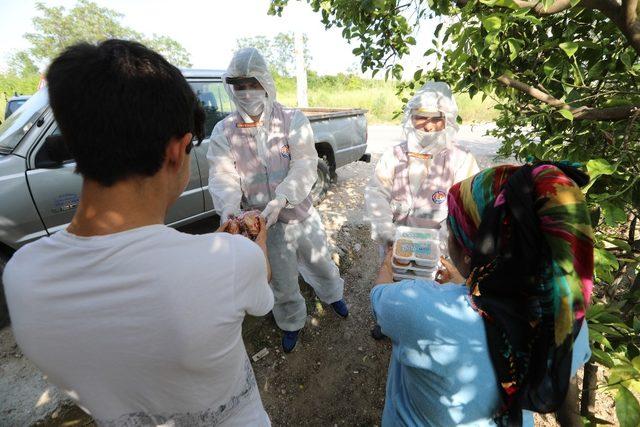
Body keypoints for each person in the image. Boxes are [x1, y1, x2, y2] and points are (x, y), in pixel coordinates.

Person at [3, 40, 274, 426]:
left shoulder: (21, 277)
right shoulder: (229, 261)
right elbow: (261, 298)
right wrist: (253, 248)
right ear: (177, 152)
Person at [371, 163, 593, 426]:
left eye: (452, 227)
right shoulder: (567, 322)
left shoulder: (420, 309)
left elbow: (379, 295)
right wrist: (466, 282)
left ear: (469, 254)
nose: (447, 234)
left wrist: (388, 263)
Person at [207, 47, 347, 353]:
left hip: (301, 213)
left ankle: (333, 295)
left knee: (320, 260)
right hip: (264, 225)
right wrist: (230, 209)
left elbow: (305, 163)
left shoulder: (291, 120)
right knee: (281, 279)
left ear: (265, 83)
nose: (246, 92)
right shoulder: (225, 131)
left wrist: (282, 198)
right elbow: (223, 176)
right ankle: (291, 322)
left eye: (252, 83)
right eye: (239, 86)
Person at [365, 81, 479, 339]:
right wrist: (386, 229)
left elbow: (468, 209)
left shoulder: (461, 160)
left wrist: (443, 243)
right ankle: (389, 322)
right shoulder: (395, 155)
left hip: (437, 248)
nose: (428, 126)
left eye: (436, 119)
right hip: (396, 242)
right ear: (411, 118)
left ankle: (423, 329)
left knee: (431, 292)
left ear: (448, 119)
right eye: (420, 118)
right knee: (393, 284)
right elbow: (376, 193)